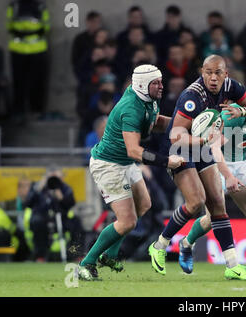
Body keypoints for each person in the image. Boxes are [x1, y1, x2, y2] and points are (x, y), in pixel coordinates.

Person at [149, 54, 246, 280]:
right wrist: (206, 140)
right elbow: (176, 135)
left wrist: (242, 111)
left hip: (203, 146)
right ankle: (159, 245)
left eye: (218, 73)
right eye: (208, 72)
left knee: (217, 204)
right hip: (180, 149)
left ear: (226, 74)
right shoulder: (191, 96)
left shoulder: (231, 87)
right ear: (202, 72)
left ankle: (232, 265)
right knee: (195, 203)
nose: (213, 78)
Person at [76, 64, 184, 281]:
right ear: (144, 85)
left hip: (123, 162)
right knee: (127, 222)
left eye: (161, 81)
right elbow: (134, 150)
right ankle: (86, 263)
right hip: (109, 165)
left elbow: (155, 122)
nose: (161, 86)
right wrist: (167, 161)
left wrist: (182, 125)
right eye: (156, 83)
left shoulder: (147, 98)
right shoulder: (131, 107)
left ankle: (110, 254)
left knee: (144, 205)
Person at [177, 83, 246, 279]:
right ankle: (186, 243)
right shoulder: (233, 115)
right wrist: (228, 175)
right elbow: (213, 147)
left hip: (239, 163)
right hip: (212, 163)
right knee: (214, 218)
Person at [25, 166, 81, 262]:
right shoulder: (37, 187)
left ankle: (74, 254)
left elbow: (71, 203)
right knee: (37, 222)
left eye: (56, 178)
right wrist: (38, 189)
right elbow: (28, 203)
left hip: (61, 217)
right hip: (42, 217)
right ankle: (40, 256)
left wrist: (61, 197)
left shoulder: (65, 188)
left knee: (76, 223)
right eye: (51, 178)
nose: (53, 181)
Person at [7, 0, 50, 122]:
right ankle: (19, 111)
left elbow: (46, 26)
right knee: (18, 83)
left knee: (36, 82)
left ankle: (35, 110)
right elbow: (9, 25)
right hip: (19, 48)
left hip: (37, 48)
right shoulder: (14, 6)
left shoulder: (40, 6)